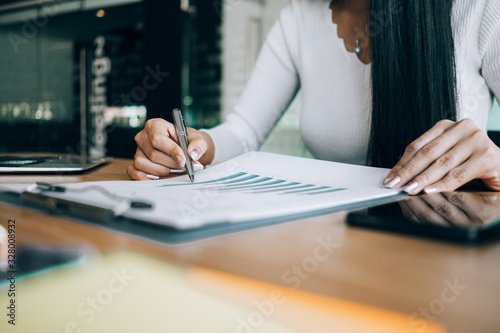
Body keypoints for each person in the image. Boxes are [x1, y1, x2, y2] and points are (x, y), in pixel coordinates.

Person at [128, 0, 500, 196]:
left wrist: (496, 164)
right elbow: (243, 133)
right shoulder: (298, 17)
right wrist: (192, 144)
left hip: (449, 246)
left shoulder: (477, 7)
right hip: (332, 244)